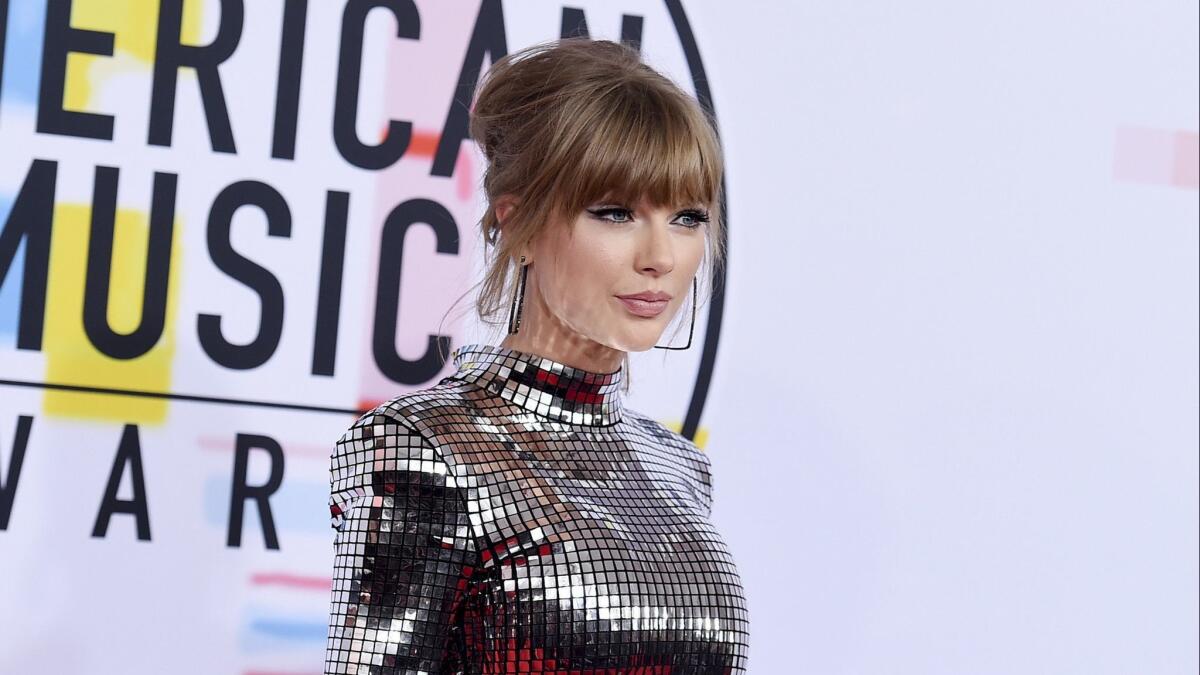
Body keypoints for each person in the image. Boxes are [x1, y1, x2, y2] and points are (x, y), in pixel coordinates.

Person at [324, 37, 750, 674]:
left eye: (688, 217)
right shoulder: (420, 448)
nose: (660, 256)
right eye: (615, 213)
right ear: (518, 223)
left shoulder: (681, 471)